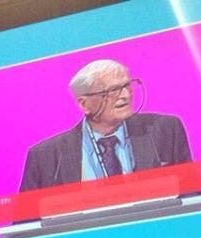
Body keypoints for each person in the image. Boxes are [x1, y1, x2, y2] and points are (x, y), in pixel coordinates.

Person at [19, 59, 192, 191]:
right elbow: (26, 224)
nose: (125, 96)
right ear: (84, 104)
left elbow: (191, 196)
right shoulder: (45, 157)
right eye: (113, 91)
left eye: (127, 86)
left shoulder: (165, 130)